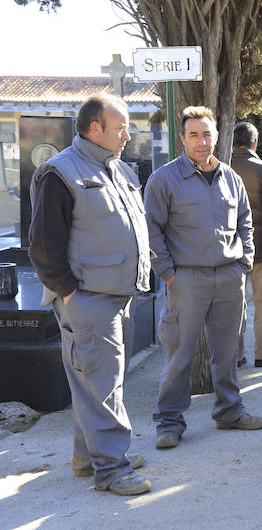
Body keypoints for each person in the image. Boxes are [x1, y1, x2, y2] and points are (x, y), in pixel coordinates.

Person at [29, 94, 152, 496]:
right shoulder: (60, 172)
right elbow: (44, 245)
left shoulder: (119, 170)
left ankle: (89, 456)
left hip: (120, 295)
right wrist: (67, 293)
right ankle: (112, 470)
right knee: (101, 383)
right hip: (88, 298)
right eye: (120, 127)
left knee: (101, 382)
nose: (127, 134)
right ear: (94, 128)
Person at [146, 106, 262, 450]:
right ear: (182, 138)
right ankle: (169, 422)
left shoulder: (231, 177)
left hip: (229, 277)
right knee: (179, 353)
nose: (202, 141)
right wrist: (168, 274)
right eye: (194, 134)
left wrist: (245, 261)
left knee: (228, 351)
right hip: (186, 280)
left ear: (217, 136)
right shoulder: (164, 179)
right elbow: (151, 230)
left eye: (207, 134)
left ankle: (229, 410)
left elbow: (245, 221)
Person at [231, 121, 262, 369]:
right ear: (255, 142)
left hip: (230, 248)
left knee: (234, 304)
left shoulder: (221, 168)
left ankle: (236, 355)